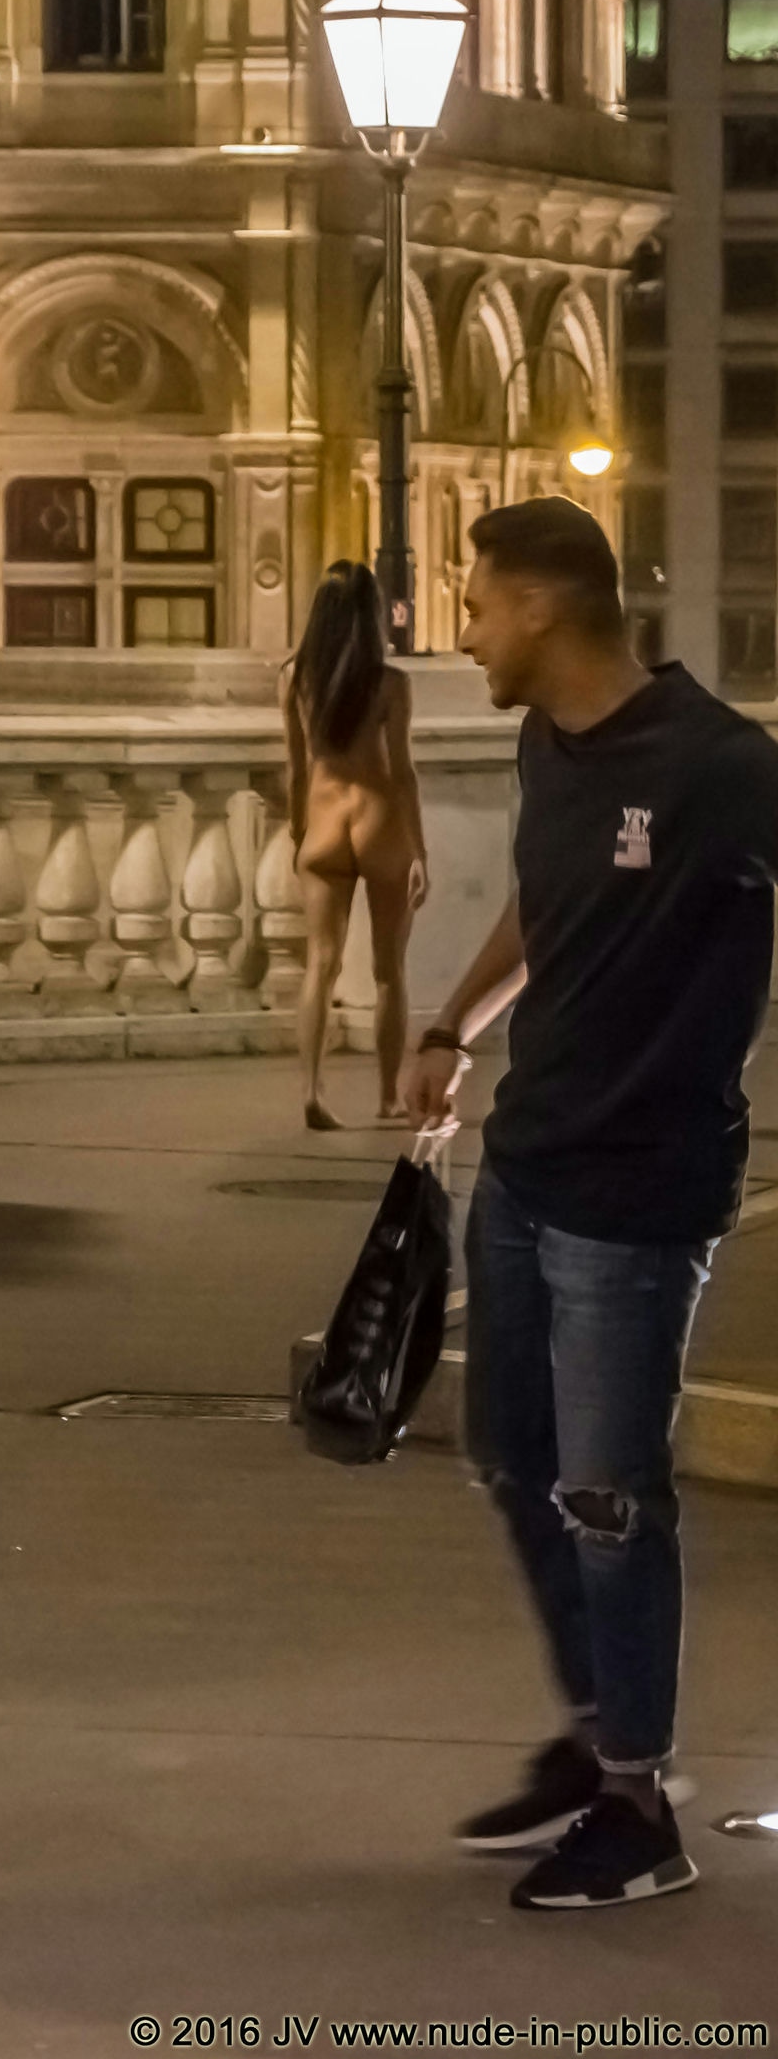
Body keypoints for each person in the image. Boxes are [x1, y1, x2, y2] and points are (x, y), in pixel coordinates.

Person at [405, 495, 778, 1912]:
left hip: (641, 1188)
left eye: (477, 605)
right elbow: (542, 903)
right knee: (512, 1454)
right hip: (527, 1163)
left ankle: (638, 1807)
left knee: (611, 1496)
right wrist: (453, 1024)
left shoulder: (719, 766)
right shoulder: (547, 742)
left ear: (543, 606)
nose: (466, 633)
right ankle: (599, 1728)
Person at [282, 561, 428, 1130]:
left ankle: (311, 1091)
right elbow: (403, 773)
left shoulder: (294, 680)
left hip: (322, 825)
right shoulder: (390, 684)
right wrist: (419, 849)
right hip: (379, 823)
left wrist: (298, 832)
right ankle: (388, 1096)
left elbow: (297, 769)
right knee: (389, 971)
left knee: (320, 965)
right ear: (372, 617)